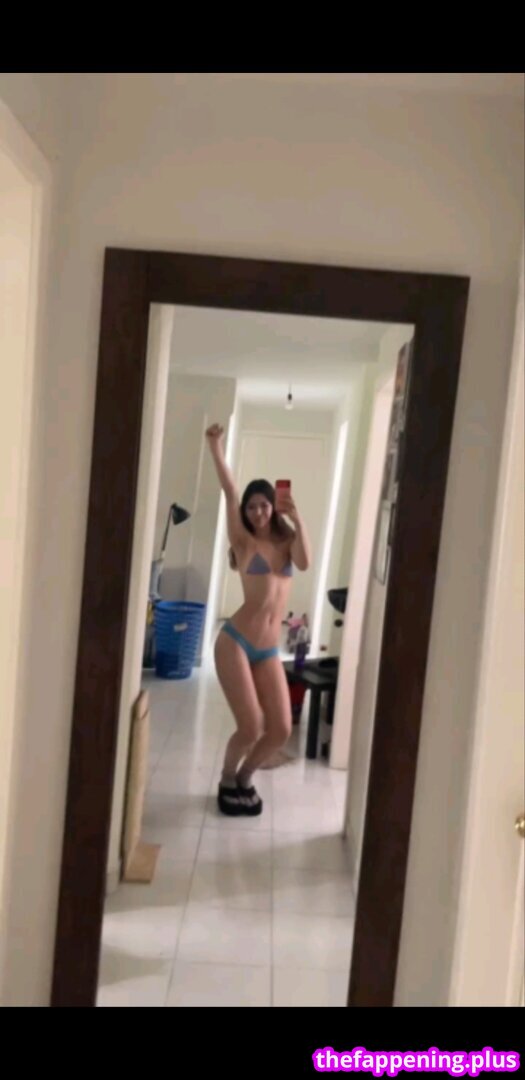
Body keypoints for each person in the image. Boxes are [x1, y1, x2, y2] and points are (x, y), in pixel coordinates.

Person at [205, 423, 312, 817]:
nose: (257, 511)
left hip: (267, 650)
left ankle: (245, 777)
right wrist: (215, 446)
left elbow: (305, 562)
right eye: (251, 507)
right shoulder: (244, 542)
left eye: (264, 505)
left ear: (274, 506)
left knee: (280, 729)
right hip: (235, 641)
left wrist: (298, 518)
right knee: (250, 726)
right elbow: (230, 491)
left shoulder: (287, 543)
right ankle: (225, 779)